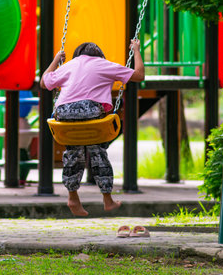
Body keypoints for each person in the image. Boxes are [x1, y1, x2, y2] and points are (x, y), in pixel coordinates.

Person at [40, 40, 145, 217]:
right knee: (98, 152)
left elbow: (44, 82)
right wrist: (136, 51)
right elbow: (139, 75)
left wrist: (56, 59)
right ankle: (107, 199)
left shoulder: (69, 65)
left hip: (64, 113)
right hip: (91, 113)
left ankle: (72, 198)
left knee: (73, 153)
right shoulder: (104, 64)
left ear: (77, 55)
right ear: (99, 55)